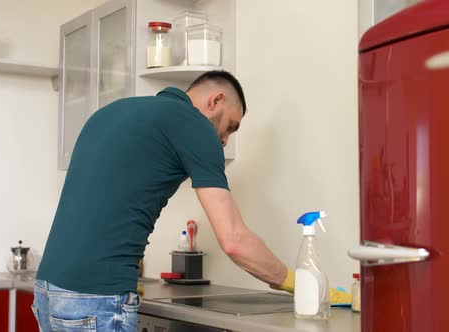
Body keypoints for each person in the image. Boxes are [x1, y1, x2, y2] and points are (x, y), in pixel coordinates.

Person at [33, 70, 296, 331]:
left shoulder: (113, 110)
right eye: (230, 126)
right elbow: (234, 241)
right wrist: (295, 282)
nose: (225, 140)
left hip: (48, 291)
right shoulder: (194, 125)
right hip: (96, 298)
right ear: (216, 101)